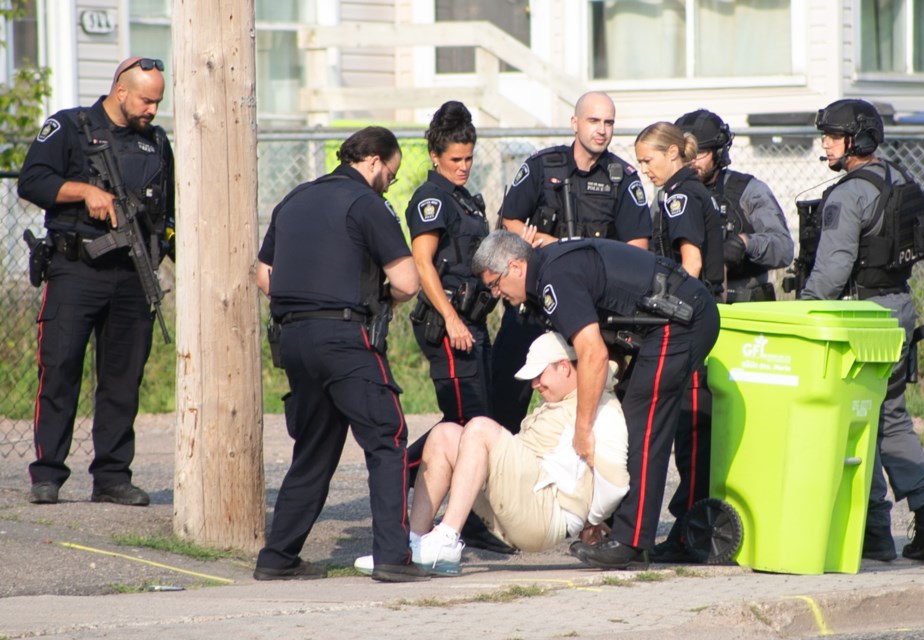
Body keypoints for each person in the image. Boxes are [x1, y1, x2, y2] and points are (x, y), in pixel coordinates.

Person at [473, 230, 720, 570]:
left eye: (496, 284)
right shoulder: (547, 274)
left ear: (515, 266)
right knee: (626, 416)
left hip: (681, 320)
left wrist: (583, 427)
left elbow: (593, 353)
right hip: (661, 321)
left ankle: (631, 543)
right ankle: (618, 531)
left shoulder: (554, 277)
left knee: (643, 422)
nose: (497, 294)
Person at [253, 126, 428, 583]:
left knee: (313, 450)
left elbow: (263, 273)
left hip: (293, 340)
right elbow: (408, 281)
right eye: (390, 173)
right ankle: (392, 557)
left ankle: (277, 557)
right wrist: (381, 298)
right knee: (387, 440)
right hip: (345, 339)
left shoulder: (294, 199)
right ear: (373, 162)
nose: (388, 182)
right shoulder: (367, 204)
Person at [800, 98, 924, 562]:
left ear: (857, 139)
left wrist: (805, 315)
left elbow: (830, 274)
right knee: (891, 415)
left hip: (861, 315)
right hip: (900, 307)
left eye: (832, 135)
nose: (824, 143)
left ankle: (875, 532)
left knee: (856, 418)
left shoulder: (848, 194)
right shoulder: (903, 180)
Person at [18, 57, 175, 507]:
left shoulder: (156, 143)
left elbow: (167, 213)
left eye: (157, 102)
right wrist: (84, 191)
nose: (151, 110)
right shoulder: (68, 126)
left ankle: (111, 476)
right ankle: (47, 474)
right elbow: (32, 181)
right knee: (60, 368)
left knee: (123, 379)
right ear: (120, 91)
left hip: (132, 273)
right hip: (75, 270)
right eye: (146, 100)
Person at [355, 331, 629, 575]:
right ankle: (410, 546)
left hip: (548, 514)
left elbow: (615, 483)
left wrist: (591, 520)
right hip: (523, 499)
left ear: (564, 367)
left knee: (480, 429)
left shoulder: (602, 407)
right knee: (444, 434)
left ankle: (447, 538)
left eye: (539, 375)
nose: (534, 384)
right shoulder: (559, 400)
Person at [491, 91, 651, 435]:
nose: (602, 130)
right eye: (594, 121)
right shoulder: (541, 166)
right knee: (503, 404)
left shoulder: (622, 178)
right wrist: (542, 248)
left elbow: (637, 249)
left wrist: (552, 244)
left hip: (589, 314)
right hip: (534, 306)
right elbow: (510, 222)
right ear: (575, 123)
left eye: (609, 122)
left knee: (592, 409)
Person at [634, 121, 724, 563]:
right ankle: (689, 526)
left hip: (689, 322)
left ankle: (690, 532)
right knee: (692, 433)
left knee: (692, 432)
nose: (644, 169)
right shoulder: (680, 190)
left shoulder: (680, 194)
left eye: (648, 160)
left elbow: (690, 261)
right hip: (698, 318)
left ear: (672, 154)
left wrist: (665, 309)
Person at [404, 101, 494, 450]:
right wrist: (452, 319)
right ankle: (398, 478)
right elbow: (423, 262)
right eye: (456, 160)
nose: (464, 167)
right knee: (463, 425)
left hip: (473, 321)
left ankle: (473, 505)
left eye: (469, 158)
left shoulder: (465, 199)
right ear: (434, 156)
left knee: (479, 420)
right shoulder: (432, 199)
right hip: (447, 325)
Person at [675, 109, 794, 303]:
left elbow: (783, 248)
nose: (691, 161)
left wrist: (745, 243)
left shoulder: (749, 191)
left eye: (700, 152)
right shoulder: (671, 195)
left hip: (745, 305)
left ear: (719, 152)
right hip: (687, 302)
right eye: (685, 154)